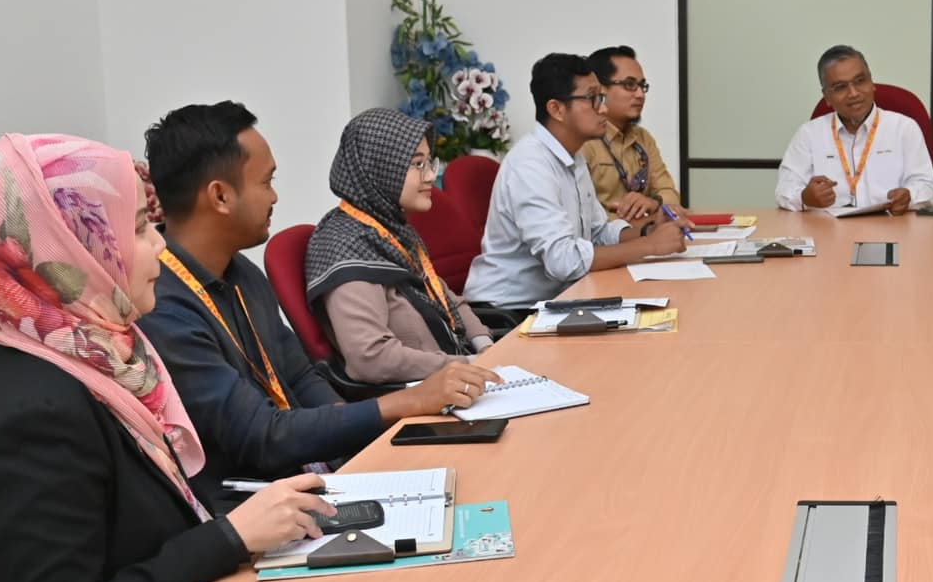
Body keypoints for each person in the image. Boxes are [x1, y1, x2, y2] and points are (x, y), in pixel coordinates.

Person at [0, 134, 337, 582]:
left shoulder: (104, 355)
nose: (161, 246)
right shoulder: (31, 414)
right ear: (73, 249)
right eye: (140, 228)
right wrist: (230, 538)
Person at [138, 102, 497, 512]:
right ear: (220, 196)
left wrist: (353, 438)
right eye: (266, 182)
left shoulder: (240, 272)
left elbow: (300, 376)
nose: (275, 196)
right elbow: (261, 436)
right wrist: (405, 403)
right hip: (255, 505)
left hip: (310, 472)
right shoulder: (163, 307)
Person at [468, 55, 688, 307]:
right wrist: (649, 246)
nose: (603, 109)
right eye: (593, 99)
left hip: (562, 298)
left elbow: (598, 233)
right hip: (513, 310)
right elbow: (563, 261)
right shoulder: (530, 164)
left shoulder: (573, 157)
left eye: (602, 98)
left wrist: (648, 230)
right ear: (557, 109)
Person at [306, 108, 495, 384]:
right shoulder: (345, 246)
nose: (430, 176)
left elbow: (445, 297)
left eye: (429, 162)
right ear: (380, 167)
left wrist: (486, 348)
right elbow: (371, 358)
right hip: (421, 394)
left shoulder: (390, 228)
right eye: (417, 164)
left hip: (457, 376)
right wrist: (467, 363)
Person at [775, 46, 933, 214]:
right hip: (829, 227)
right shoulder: (809, 134)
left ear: (871, 83)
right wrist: (804, 198)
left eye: (860, 81)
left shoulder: (904, 128)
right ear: (827, 97)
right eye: (840, 87)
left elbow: (927, 186)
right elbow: (784, 189)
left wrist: (910, 196)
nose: (853, 93)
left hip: (889, 225)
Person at [580, 46, 682, 224]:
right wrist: (643, 222)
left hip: (646, 234)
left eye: (642, 86)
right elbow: (582, 217)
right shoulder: (582, 141)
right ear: (599, 89)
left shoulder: (643, 138)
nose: (640, 94)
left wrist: (653, 202)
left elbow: (670, 194)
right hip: (607, 239)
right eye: (629, 85)